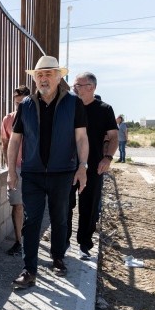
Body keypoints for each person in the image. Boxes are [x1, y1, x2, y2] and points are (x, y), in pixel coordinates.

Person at [7, 56, 88, 286]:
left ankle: (58, 258)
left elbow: (81, 138)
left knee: (60, 218)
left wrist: (83, 167)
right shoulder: (26, 105)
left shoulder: (74, 103)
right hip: (32, 172)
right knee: (31, 221)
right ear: (35, 78)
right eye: (39, 75)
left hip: (63, 172)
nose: (44, 79)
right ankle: (29, 269)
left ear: (59, 77)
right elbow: (15, 140)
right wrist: (11, 171)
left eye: (49, 74)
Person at [66, 72, 118, 261]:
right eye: (73, 85)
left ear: (91, 87)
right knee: (65, 204)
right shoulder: (69, 107)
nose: (74, 89)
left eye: (78, 85)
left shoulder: (104, 109)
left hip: (94, 167)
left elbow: (113, 137)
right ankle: (64, 242)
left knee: (89, 206)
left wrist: (108, 158)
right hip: (68, 165)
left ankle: (84, 245)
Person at [2, 85, 31, 256]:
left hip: (35, 168)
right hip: (18, 168)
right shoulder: (8, 120)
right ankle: (18, 241)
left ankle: (30, 241)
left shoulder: (37, 117)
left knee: (32, 206)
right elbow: (5, 145)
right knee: (17, 205)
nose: (18, 106)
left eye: (22, 103)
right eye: (16, 103)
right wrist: (10, 168)